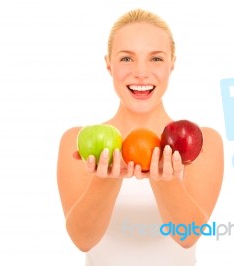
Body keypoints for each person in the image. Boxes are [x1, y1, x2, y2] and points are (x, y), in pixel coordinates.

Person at [57, 8, 224, 266]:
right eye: (126, 59)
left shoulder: (201, 142)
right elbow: (83, 240)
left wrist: (165, 181)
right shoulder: (76, 141)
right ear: (108, 65)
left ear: (172, 64)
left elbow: (187, 236)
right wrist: (104, 181)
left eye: (156, 59)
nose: (141, 72)